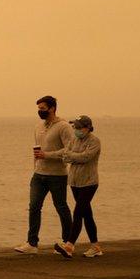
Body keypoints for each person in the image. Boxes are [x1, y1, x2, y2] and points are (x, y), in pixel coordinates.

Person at [15, 95, 74, 254]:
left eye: (42, 108)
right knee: (34, 207)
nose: (39, 111)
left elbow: (69, 150)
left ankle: (66, 242)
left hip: (57, 174)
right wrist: (36, 164)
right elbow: (37, 150)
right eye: (38, 109)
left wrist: (47, 155)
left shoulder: (64, 126)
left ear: (52, 108)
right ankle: (32, 243)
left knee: (61, 207)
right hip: (39, 174)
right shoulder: (38, 127)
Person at [55, 115, 103, 258]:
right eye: (74, 126)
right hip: (75, 181)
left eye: (78, 127)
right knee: (87, 214)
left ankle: (69, 245)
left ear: (87, 128)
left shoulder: (95, 141)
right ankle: (95, 246)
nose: (75, 129)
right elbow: (65, 155)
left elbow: (86, 157)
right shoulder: (74, 139)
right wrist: (73, 155)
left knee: (78, 212)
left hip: (89, 182)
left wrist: (72, 156)